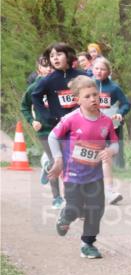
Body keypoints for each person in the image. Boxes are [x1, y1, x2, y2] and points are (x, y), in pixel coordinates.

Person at [47, 76, 118, 259]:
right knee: (75, 208)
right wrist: (58, 159)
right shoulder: (71, 119)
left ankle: (88, 243)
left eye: (95, 95)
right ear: (77, 99)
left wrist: (110, 151)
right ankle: (66, 216)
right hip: (73, 174)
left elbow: (115, 143)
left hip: (95, 175)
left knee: (97, 209)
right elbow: (52, 137)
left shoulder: (106, 121)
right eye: (87, 96)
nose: (93, 99)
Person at [31, 42, 86, 208]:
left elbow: (92, 95)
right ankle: (64, 200)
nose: (55, 58)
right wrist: (47, 116)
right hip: (60, 128)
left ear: (68, 56)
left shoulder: (81, 76)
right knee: (64, 164)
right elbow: (35, 96)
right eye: (52, 56)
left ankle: (78, 200)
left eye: (59, 54)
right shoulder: (48, 80)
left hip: (81, 127)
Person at [20, 55, 62, 203]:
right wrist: (32, 121)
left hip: (62, 128)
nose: (49, 68)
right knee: (54, 160)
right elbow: (24, 106)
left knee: (64, 160)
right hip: (44, 130)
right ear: (38, 69)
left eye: (51, 65)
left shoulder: (62, 84)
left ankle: (46, 166)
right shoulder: (34, 88)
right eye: (45, 65)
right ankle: (57, 198)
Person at [90, 57, 131, 205]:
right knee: (90, 159)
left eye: (103, 69)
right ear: (92, 69)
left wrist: (120, 113)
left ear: (108, 71)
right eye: (96, 68)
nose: (99, 71)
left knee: (106, 157)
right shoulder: (88, 86)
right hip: (89, 127)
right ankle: (88, 190)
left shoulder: (114, 88)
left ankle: (109, 191)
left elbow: (126, 104)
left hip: (109, 127)